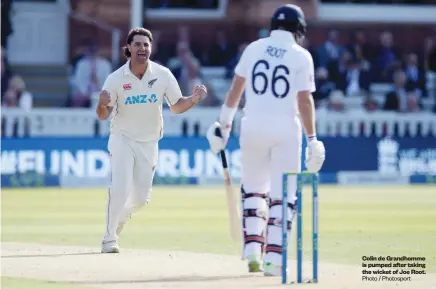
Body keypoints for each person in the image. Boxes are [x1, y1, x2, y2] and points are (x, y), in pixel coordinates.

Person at [206, 4, 325, 276]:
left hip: (253, 125)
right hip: (285, 128)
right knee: (284, 195)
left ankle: (252, 253)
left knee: (254, 189)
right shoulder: (301, 55)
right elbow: (304, 100)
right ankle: (274, 258)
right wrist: (313, 139)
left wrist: (223, 125)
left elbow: (237, 88)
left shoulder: (254, 48)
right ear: (299, 31)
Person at [96, 28, 207, 253]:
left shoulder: (163, 74)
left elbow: (176, 106)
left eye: (146, 45)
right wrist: (101, 103)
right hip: (122, 137)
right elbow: (103, 114)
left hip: (149, 142)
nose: (142, 49)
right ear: (128, 48)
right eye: (137, 44)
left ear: (151, 48)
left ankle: (120, 218)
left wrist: (193, 99)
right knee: (120, 186)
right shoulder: (116, 78)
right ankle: (109, 238)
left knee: (140, 199)